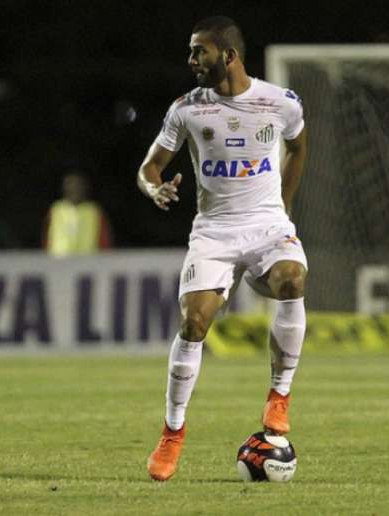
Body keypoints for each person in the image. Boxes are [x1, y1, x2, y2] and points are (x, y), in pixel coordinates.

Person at [137, 16, 308, 481]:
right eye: (192, 52)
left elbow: (298, 146)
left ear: (228, 55)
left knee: (293, 278)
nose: (192, 61)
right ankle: (172, 433)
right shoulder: (187, 109)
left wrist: (284, 206)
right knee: (194, 323)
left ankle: (279, 397)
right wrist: (153, 189)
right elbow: (150, 167)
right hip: (213, 231)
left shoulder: (280, 102)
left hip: (268, 225)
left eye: (200, 52)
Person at [43, 172, 112, 256]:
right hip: (59, 262)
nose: (74, 189)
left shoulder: (94, 211)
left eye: (78, 186)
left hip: (89, 262)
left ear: (85, 188)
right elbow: (46, 238)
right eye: (70, 185)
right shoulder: (56, 209)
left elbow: (105, 240)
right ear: (64, 188)